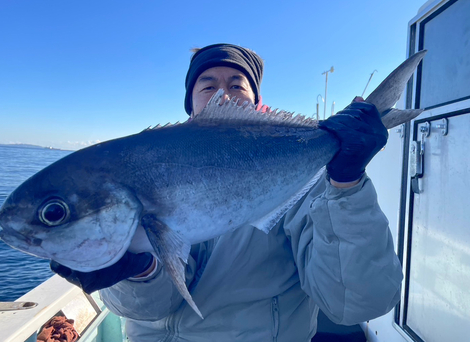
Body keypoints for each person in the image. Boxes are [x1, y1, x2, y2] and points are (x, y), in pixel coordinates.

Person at [51, 43, 403, 342]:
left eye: (237, 85)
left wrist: (346, 185)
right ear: (190, 106)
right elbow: (151, 308)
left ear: (256, 105)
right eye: (207, 86)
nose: (222, 94)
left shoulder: (307, 184)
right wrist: (140, 271)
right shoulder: (150, 169)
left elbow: (357, 304)